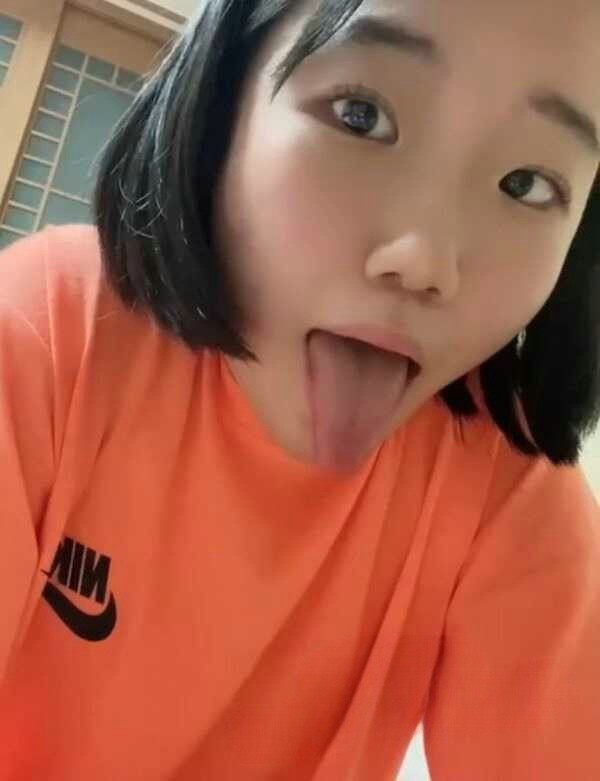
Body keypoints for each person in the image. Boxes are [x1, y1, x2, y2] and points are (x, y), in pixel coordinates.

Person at [1, 0, 599, 777]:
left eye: (526, 184)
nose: (424, 260)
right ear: (222, 93)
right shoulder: (50, 336)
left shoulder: (507, 497)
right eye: (360, 116)